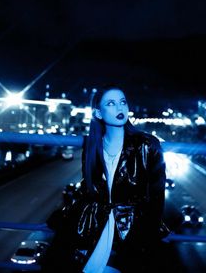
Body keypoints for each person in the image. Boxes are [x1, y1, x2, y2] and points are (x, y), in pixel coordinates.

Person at [44, 84, 168, 273]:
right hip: (93, 223)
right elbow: (88, 187)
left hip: (128, 229)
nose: (120, 108)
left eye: (122, 102)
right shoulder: (92, 144)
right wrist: (65, 214)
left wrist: (148, 235)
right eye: (111, 103)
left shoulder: (148, 145)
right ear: (99, 114)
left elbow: (157, 196)